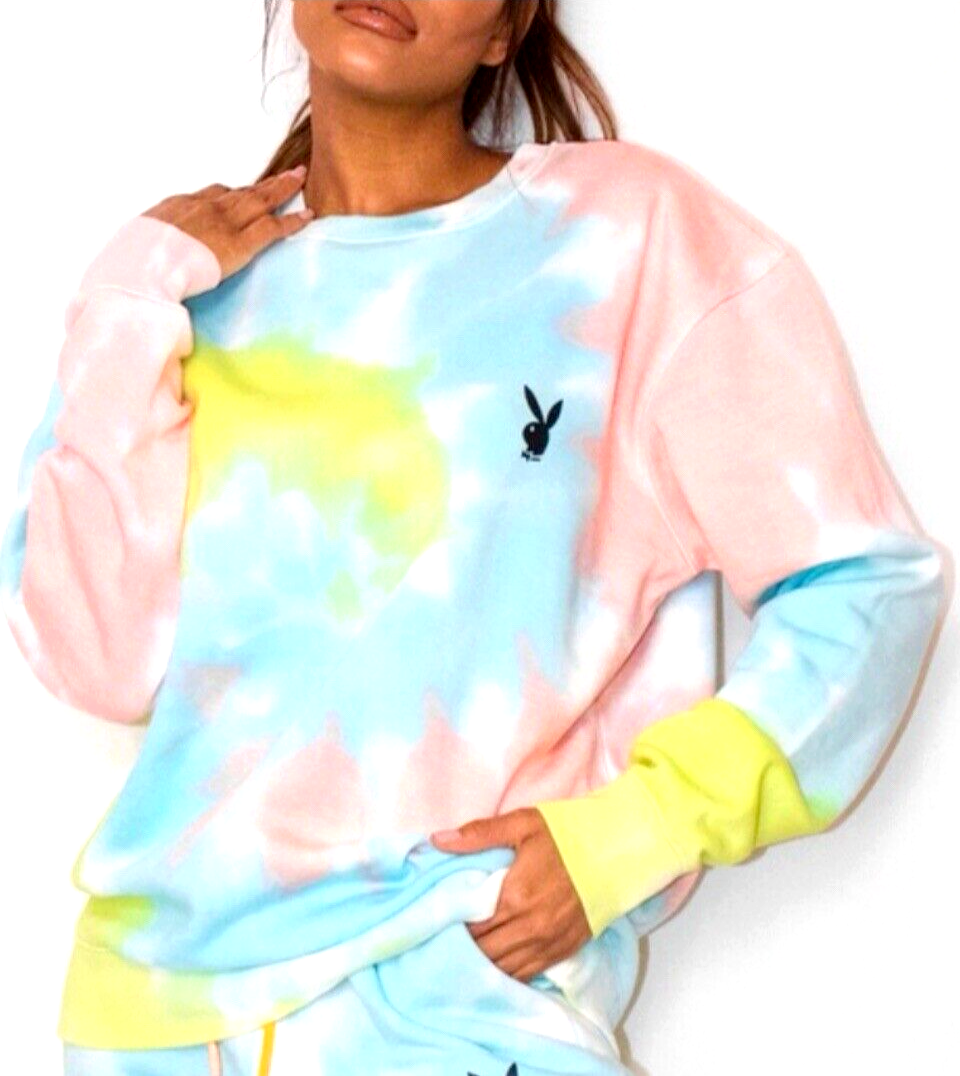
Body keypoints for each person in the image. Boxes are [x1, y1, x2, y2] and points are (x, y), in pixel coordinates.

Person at [0, 1, 948, 1074]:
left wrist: (630, 834)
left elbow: (868, 582)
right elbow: (95, 661)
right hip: (153, 1023)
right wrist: (127, 300)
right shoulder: (183, 290)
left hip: (466, 1005)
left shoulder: (628, 247)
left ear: (506, 28)